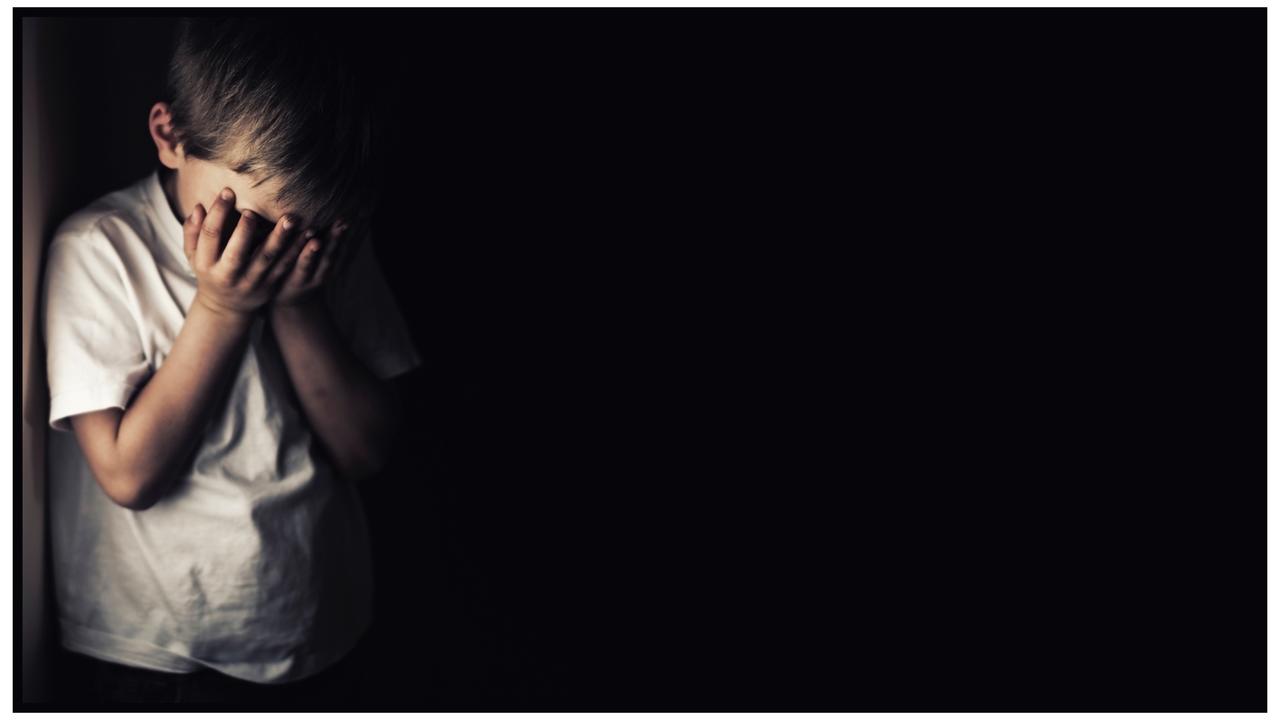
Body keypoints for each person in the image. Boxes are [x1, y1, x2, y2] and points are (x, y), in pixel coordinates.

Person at [40, 17, 422, 706]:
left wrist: (299, 306)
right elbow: (128, 475)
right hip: (155, 651)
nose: (280, 248)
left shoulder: (327, 247)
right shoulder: (101, 249)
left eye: (303, 230)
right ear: (171, 137)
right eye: (260, 223)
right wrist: (221, 308)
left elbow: (367, 451)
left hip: (320, 626)